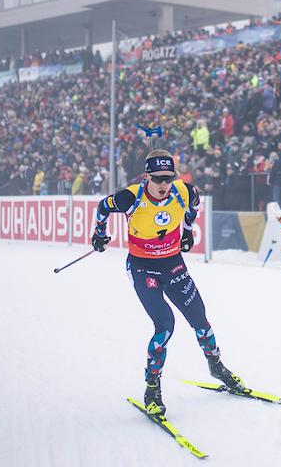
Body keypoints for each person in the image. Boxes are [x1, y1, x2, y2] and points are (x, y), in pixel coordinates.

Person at [90, 149, 244, 416]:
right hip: (142, 267)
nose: (164, 184)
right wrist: (99, 234)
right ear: (147, 176)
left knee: (200, 319)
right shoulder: (131, 196)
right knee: (165, 325)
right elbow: (103, 207)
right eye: (158, 178)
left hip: (172, 264)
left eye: (168, 178)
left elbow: (194, 205)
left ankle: (216, 365)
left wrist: (186, 232)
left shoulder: (183, 191)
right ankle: (152, 388)